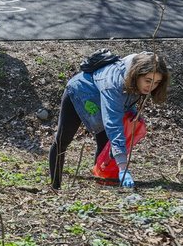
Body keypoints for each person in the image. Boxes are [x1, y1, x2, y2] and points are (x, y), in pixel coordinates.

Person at [48, 52, 170, 190]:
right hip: (79, 92)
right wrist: (123, 167)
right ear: (136, 74)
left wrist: (134, 113)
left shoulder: (133, 78)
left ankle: (100, 183)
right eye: (148, 81)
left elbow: (127, 100)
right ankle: (55, 186)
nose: (151, 87)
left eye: (156, 82)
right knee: (62, 140)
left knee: (105, 141)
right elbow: (113, 123)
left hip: (101, 96)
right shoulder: (114, 84)